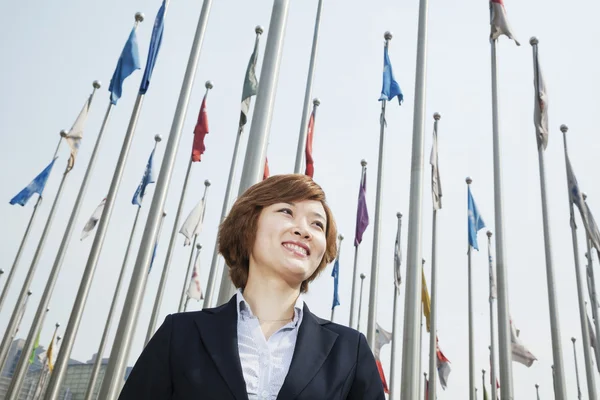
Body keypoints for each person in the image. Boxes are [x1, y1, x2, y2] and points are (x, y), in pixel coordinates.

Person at [119, 174, 385, 400]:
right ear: (248, 226)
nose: (304, 230)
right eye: (286, 211)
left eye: (317, 224)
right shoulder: (181, 334)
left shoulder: (350, 350)